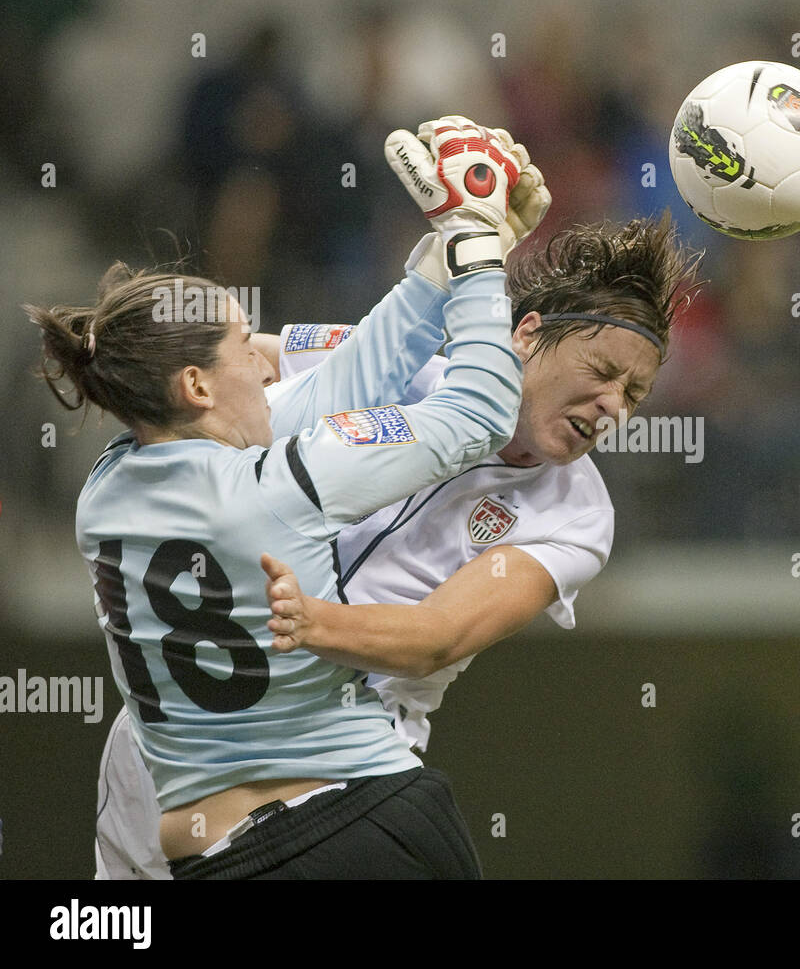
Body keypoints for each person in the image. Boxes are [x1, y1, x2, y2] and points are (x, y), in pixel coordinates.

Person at [93, 214, 702, 878]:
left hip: (338, 770)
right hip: (172, 744)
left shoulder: (578, 513)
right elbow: (228, 360)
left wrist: (310, 623)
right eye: (603, 370)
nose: (614, 403)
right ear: (527, 335)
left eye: (635, 393)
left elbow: (435, 638)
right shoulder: (403, 367)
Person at [34, 116, 543, 880]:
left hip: (212, 861)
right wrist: (479, 257)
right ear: (197, 386)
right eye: (245, 343)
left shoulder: (105, 491)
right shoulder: (290, 481)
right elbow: (479, 412)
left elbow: (345, 385)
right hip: (365, 825)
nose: (263, 359)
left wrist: (445, 259)